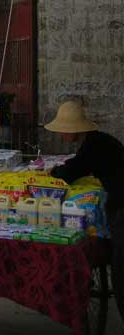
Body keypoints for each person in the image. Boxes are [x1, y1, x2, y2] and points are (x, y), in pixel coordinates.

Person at [47, 101, 124, 315]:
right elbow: (81, 164)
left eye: (64, 130)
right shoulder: (98, 142)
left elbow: (72, 171)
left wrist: (54, 172)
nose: (61, 134)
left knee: (121, 270)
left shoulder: (93, 146)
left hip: (122, 206)